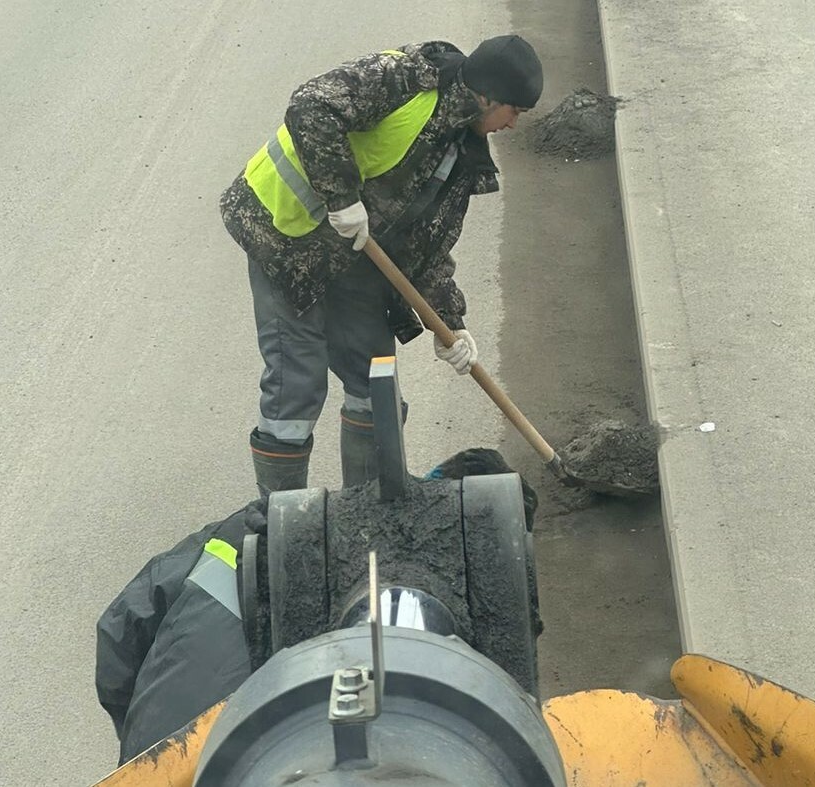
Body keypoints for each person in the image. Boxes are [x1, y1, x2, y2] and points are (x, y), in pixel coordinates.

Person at [219, 37, 544, 497]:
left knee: (376, 375)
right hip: (283, 236)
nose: (513, 124)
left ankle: (367, 511)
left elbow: (426, 245)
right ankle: (282, 517)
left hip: (349, 253)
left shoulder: (463, 150)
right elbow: (311, 106)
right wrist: (342, 196)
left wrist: (450, 324)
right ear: (486, 96)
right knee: (298, 382)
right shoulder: (406, 81)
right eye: (514, 111)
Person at [95, 449, 539, 765]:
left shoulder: (265, 520)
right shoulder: (448, 644)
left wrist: (149, 736)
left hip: (152, 758)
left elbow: (120, 630)